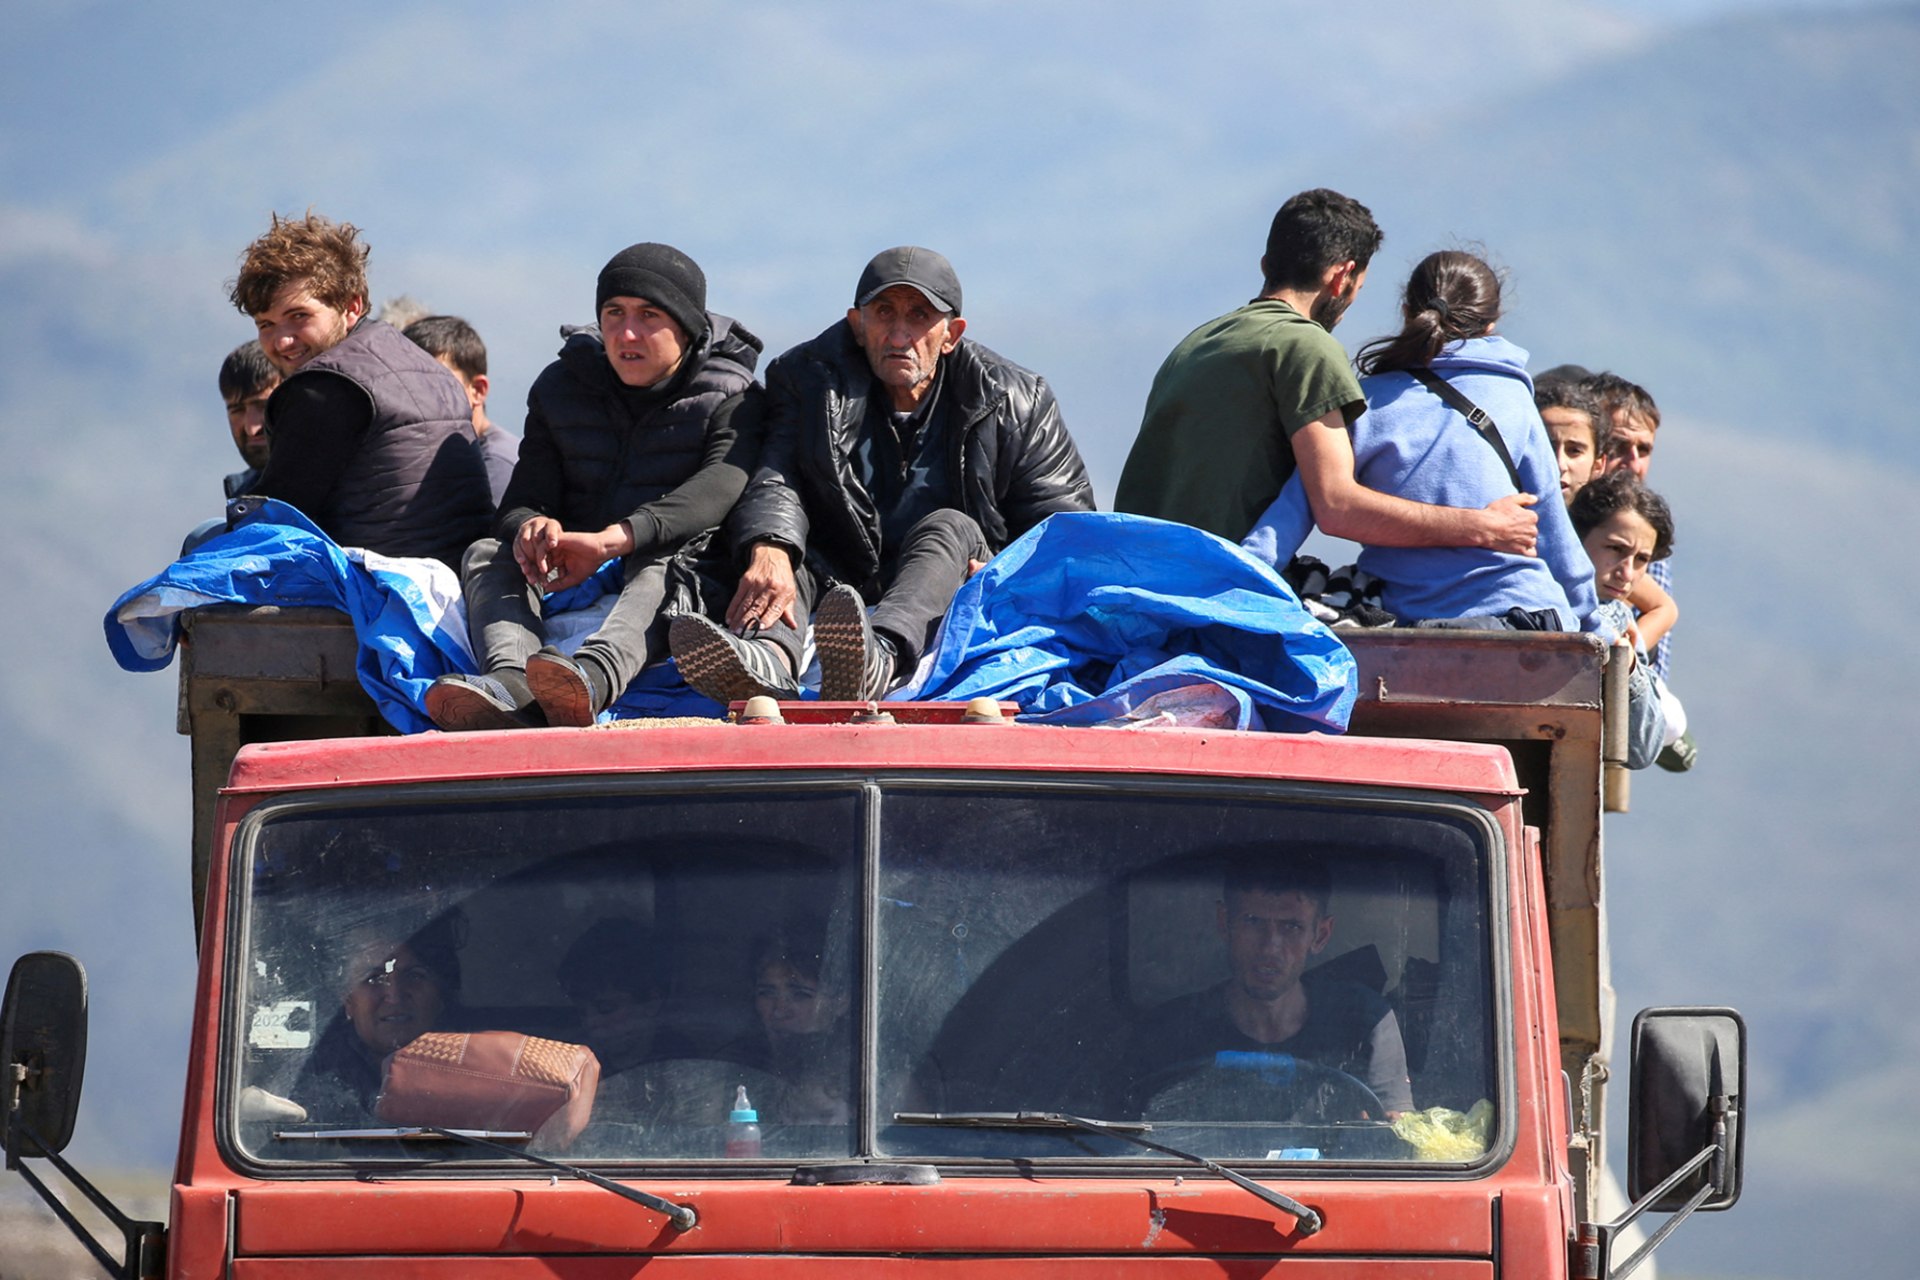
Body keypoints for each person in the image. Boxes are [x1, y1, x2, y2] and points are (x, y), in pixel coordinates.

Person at [670, 246, 1094, 703]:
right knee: (791, 546)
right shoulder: (805, 377)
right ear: (857, 324)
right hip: (840, 579)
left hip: (949, 576)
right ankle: (767, 661)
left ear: (951, 334)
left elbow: (1066, 531)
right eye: (884, 313)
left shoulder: (1017, 399)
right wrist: (770, 544)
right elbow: (777, 474)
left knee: (950, 524)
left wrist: (1006, 575)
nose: (899, 334)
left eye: (919, 316)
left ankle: (880, 659)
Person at [424, 242, 765, 729]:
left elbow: (719, 488)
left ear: (688, 326)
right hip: (574, 562)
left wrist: (613, 541)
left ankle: (588, 681)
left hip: (674, 560)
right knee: (487, 552)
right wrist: (533, 527)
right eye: (614, 313)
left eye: (650, 315)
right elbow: (524, 498)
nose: (628, 333)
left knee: (663, 562)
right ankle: (512, 684)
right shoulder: (561, 387)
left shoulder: (733, 394)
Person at [1114, 189, 1537, 557]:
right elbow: (1338, 507)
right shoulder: (1307, 346)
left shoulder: (1199, 341)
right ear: (1341, 277)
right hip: (1210, 587)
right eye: (1358, 287)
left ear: (1267, 264)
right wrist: (1483, 526)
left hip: (1138, 570)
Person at [1241, 250, 1598, 631]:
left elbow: (1286, 520)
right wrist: (1595, 626)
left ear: (1407, 310)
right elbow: (1556, 536)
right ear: (1491, 325)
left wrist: (1230, 588)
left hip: (1404, 624)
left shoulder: (1364, 402)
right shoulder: (1513, 399)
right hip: (1520, 616)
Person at [228, 212, 493, 566]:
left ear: (351, 306)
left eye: (299, 316)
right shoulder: (428, 366)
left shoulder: (325, 386)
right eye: (266, 324)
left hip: (378, 580)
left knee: (207, 539)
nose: (282, 341)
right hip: (458, 572)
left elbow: (278, 516)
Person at [1123, 855, 1413, 1117]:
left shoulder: (1364, 1023)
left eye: (1291, 927)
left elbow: (1396, 1136)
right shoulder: (1169, 1033)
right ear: (1225, 923)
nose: (1270, 947)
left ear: (1321, 935)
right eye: (1252, 921)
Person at [293, 916, 463, 1122]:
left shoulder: (475, 1073)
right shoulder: (308, 1085)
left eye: (415, 975)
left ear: (440, 993)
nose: (394, 995)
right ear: (347, 999)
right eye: (373, 978)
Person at [1569, 470, 1683, 770]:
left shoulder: (1621, 625)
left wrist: (1628, 666)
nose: (1627, 572)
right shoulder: (1533, 593)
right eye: (1615, 549)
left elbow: (1642, 749)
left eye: (1641, 560)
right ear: (1575, 538)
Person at [724, 927, 853, 1125]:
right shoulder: (734, 1069)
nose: (779, 1010)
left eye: (800, 995)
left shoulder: (869, 1072)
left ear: (840, 1002)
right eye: (767, 993)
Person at [404, 314, 522, 507]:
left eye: (434, 383)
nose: (418, 395)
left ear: (477, 390)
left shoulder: (497, 465)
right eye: (407, 383)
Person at [557, 917, 691, 1075]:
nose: (591, 1022)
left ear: (651, 1003)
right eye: (582, 1012)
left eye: (606, 1009)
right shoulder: (572, 1066)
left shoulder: (682, 1065)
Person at [1534, 373, 1608, 508]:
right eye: (1548, 448)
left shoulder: (1610, 528)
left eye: (1574, 451)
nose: (1559, 464)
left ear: (1598, 467)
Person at [217, 339, 279, 498]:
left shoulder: (343, 484)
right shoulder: (242, 494)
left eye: (263, 406)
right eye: (237, 410)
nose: (251, 429)